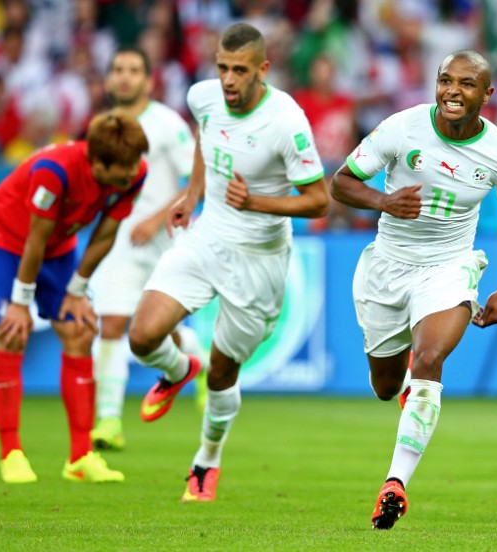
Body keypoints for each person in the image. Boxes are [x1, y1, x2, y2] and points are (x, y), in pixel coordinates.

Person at [126, 22, 329, 502]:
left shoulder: (287, 121)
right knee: (142, 336)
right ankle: (178, 370)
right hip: (207, 238)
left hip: (259, 261)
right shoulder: (204, 97)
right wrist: (192, 193)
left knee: (222, 372)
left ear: (263, 68)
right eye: (222, 68)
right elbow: (206, 137)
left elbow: (319, 201)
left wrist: (256, 202)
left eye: (240, 70)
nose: (229, 80)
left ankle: (206, 461)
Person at [330, 50, 497, 529]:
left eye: (465, 83)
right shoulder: (403, 127)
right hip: (388, 267)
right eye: (444, 80)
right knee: (383, 386)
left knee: (430, 359)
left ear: (487, 94)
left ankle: (395, 483)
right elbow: (340, 183)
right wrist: (383, 200)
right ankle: (407, 392)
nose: (452, 91)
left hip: (449, 267)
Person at [0, 109, 149, 484]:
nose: (133, 172)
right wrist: (20, 303)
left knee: (80, 330)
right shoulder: (55, 171)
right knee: (10, 331)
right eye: (124, 167)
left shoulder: (134, 172)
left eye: (136, 163)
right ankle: (11, 453)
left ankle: (80, 457)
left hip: (56, 246)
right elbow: (34, 237)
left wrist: (77, 290)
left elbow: (105, 233)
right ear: (97, 163)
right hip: (3, 238)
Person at [85, 46, 208, 452]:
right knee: (113, 323)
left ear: (149, 79)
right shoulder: (101, 126)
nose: (124, 76)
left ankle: (197, 359)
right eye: (117, 69)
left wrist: (156, 218)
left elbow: (194, 181)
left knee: (160, 333)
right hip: (119, 241)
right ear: (107, 79)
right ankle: (107, 420)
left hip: (164, 241)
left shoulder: (168, 124)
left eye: (133, 70)